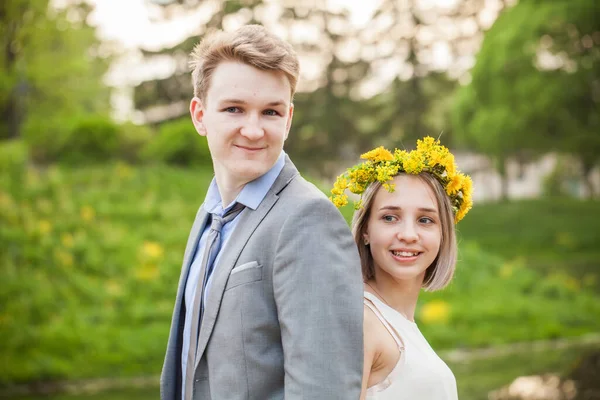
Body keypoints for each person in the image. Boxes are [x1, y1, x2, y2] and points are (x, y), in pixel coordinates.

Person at [160, 25, 364, 400]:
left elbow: (324, 390)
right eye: (234, 109)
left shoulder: (308, 221)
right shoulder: (211, 215)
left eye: (270, 111)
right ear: (200, 115)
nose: (253, 130)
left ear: (288, 120)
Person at [330, 137, 473, 400]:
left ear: (443, 235)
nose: (408, 234)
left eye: (425, 220)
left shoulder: (399, 322)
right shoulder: (359, 321)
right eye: (389, 217)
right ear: (365, 231)